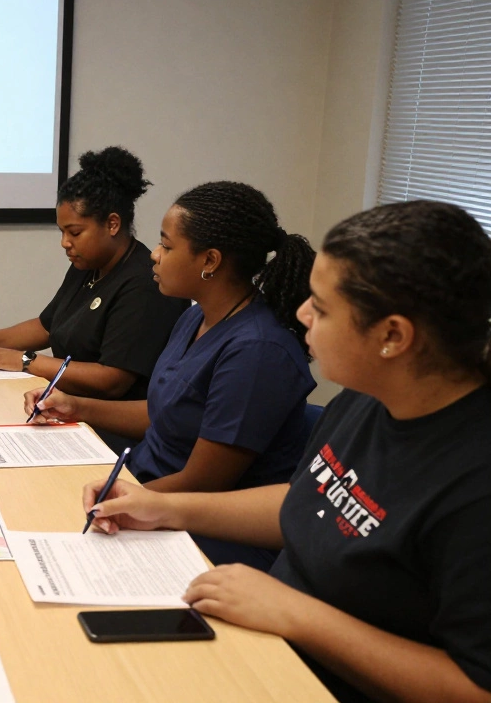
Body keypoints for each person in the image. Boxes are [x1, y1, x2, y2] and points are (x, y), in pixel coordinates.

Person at [79, 201, 491, 703]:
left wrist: (295, 612)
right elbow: (309, 500)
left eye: (321, 306)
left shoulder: (472, 482)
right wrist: (162, 506)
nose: (300, 313)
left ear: (392, 336)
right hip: (271, 638)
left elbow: (474, 687)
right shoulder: (367, 398)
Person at [28, 181, 316, 568]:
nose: (155, 257)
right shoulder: (196, 316)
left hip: (206, 530)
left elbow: (204, 481)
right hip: (149, 489)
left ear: (210, 261)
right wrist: (75, 406)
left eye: (166, 246)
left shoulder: (258, 350)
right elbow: (163, 412)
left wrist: (124, 500)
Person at [0, 147, 186, 423]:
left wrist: (26, 362)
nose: (65, 242)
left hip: (107, 424)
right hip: (65, 407)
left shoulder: (144, 284)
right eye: (62, 232)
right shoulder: (87, 266)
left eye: (74, 232)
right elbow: (46, 326)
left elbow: (112, 380)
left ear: (112, 224)